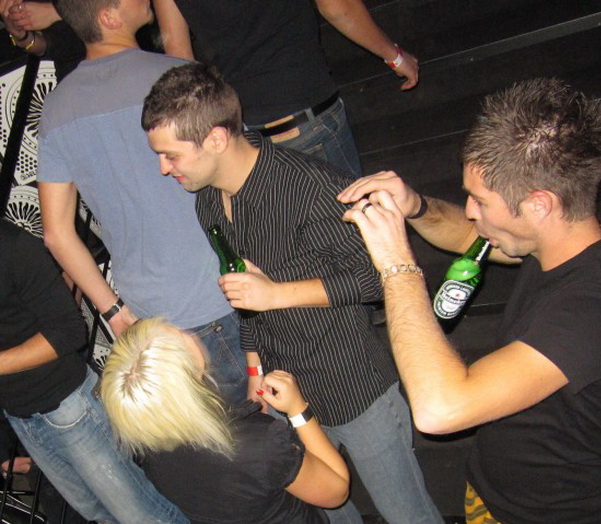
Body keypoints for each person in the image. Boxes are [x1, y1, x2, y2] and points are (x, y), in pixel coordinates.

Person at [338, 78, 601, 523]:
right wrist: (417, 207)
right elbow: (471, 236)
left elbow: (441, 409)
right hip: (504, 486)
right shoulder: (571, 235)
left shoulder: (597, 309)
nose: (470, 210)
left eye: (480, 200)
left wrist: (396, 265)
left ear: (539, 204)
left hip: (556, 513)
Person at [141, 62, 442, 524]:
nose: (163, 169)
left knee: (407, 515)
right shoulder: (207, 200)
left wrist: (276, 294)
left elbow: (382, 277)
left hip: (353, 388)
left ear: (216, 139)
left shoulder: (311, 187)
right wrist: (254, 368)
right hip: (286, 394)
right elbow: (246, 297)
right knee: (329, 514)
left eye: (171, 156)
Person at [36, 0, 249, 406]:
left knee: (217, 436)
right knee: (277, 429)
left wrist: (113, 311)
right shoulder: (178, 78)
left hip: (149, 316)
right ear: (109, 17)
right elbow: (247, 174)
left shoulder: (56, 109)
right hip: (227, 292)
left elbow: (56, 233)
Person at [0, 219, 187, 523]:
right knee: (98, 515)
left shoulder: (12, 246)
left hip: (69, 408)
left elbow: (69, 332)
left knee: (145, 517)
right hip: (20, 416)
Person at [101, 317, 350, 524]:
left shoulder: (146, 447)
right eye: (180, 335)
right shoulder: (260, 443)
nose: (186, 330)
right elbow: (336, 492)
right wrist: (297, 409)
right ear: (191, 373)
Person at [152, 0, 419, 177]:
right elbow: (338, 7)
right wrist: (394, 56)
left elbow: (179, 55)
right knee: (351, 230)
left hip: (245, 132)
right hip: (305, 112)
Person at [0, 0, 84, 82]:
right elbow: (47, 46)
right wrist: (22, 35)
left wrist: (54, 11)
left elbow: (91, 9)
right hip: (70, 72)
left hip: (90, 63)